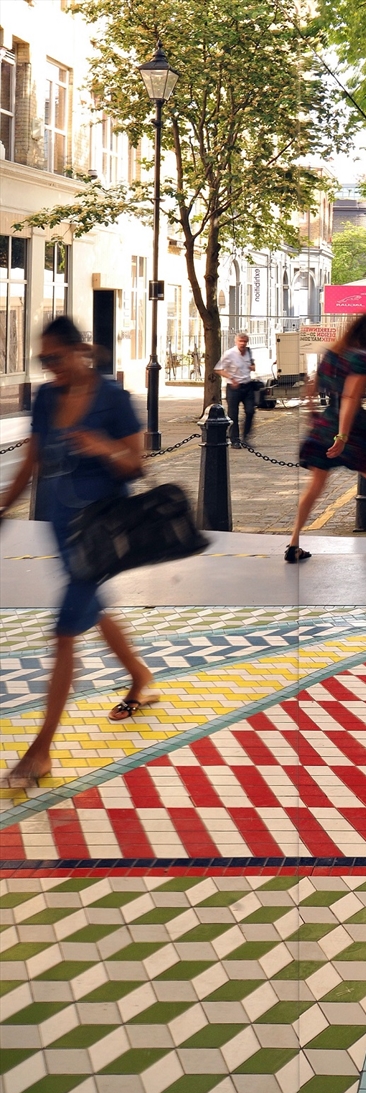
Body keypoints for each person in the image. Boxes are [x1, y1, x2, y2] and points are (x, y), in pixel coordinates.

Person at [0, 317, 156, 789]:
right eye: (43, 360)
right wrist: (4, 508)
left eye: (56, 358)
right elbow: (32, 458)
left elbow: (136, 462)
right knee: (92, 608)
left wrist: (102, 446)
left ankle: (41, 750)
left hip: (102, 531)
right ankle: (139, 676)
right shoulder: (47, 398)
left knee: (65, 632)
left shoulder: (113, 400)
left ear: (79, 351)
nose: (50, 369)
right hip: (59, 525)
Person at [285, 312, 366, 562]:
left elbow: (311, 387)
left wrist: (314, 415)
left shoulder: (332, 353)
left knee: (315, 486)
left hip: (325, 425)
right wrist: (343, 436)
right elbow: (350, 398)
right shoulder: (361, 359)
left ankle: (294, 542)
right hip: (353, 431)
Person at [215, 332, 255, 448]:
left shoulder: (248, 352)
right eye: (240, 341)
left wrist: (252, 367)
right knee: (233, 414)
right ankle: (234, 439)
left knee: (250, 411)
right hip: (234, 387)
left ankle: (246, 437)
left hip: (247, 386)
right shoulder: (229, 354)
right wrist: (231, 378)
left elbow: (253, 365)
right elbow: (219, 369)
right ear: (236, 342)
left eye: (244, 342)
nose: (242, 344)